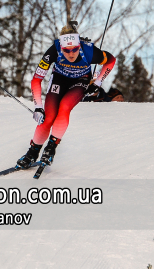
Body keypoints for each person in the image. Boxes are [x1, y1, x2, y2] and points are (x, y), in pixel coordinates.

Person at [17, 22, 116, 167]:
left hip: (80, 81)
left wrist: (98, 82)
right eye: (66, 50)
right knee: (48, 117)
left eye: (74, 49)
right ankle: (32, 152)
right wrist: (38, 106)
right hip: (59, 79)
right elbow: (36, 79)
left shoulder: (90, 52)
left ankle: (50, 148)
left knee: (64, 107)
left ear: (79, 45)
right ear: (61, 47)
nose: (71, 53)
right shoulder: (53, 51)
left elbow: (111, 60)